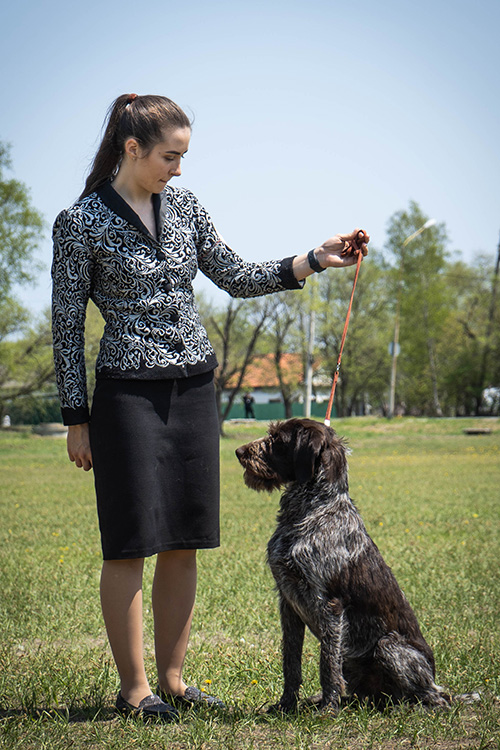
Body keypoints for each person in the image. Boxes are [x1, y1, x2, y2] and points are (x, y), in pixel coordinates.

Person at [51, 93, 369, 721]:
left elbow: (234, 273)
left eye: (185, 157)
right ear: (132, 147)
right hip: (127, 398)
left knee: (184, 540)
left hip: (196, 391)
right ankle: (135, 690)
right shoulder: (79, 222)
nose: (179, 169)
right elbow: (64, 325)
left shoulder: (187, 208)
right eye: (171, 156)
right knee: (129, 544)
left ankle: (172, 680)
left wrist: (312, 259)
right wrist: (76, 417)